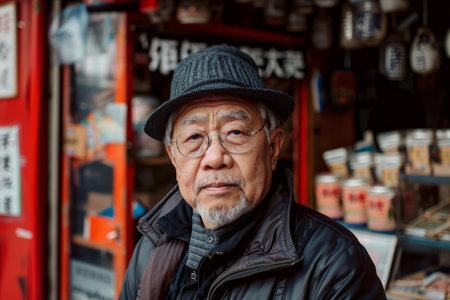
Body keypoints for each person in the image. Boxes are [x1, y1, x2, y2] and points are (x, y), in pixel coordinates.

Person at [119, 45, 386, 300]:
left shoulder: (334, 265)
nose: (214, 158)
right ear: (173, 155)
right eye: (193, 137)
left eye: (235, 132)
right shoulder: (150, 250)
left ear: (273, 147)